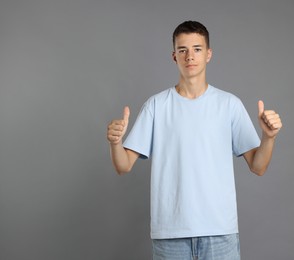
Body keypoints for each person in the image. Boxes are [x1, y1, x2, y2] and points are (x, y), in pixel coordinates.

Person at [107, 20, 282, 260]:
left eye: (197, 49)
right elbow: (123, 165)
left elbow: (259, 166)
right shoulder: (156, 106)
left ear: (208, 54)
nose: (190, 56)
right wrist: (115, 142)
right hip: (170, 235)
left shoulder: (229, 104)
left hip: (220, 233)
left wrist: (268, 136)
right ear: (174, 56)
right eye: (183, 50)